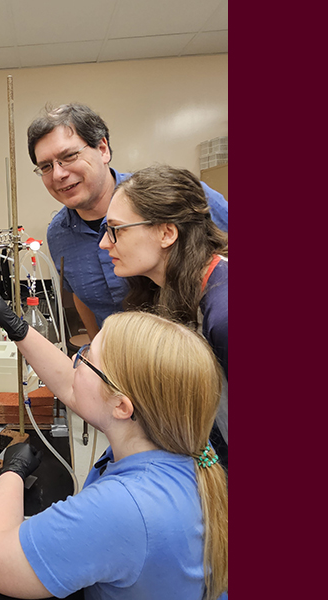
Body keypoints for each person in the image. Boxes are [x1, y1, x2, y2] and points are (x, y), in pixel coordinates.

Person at [0, 281, 229, 600]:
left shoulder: (125, 510)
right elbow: (74, 386)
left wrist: (11, 471)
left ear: (121, 406)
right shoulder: (177, 447)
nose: (75, 361)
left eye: (87, 356)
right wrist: (18, 328)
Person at [28, 103, 229, 340]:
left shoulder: (170, 198)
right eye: (46, 166)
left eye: (69, 156)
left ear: (103, 149)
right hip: (123, 364)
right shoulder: (58, 234)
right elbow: (80, 297)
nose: (59, 174)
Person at [103, 164, 229, 463]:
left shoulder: (224, 311)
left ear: (167, 233)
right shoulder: (177, 292)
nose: (105, 243)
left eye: (115, 230)